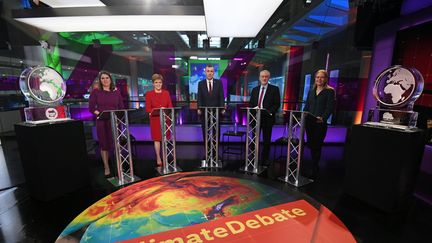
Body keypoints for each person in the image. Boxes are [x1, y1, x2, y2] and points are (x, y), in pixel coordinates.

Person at [89, 71, 124, 177]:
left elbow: (121, 107)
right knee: (104, 145)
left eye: (107, 78)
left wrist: (119, 118)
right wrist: (99, 114)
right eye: (102, 78)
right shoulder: (96, 92)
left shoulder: (116, 92)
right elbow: (91, 108)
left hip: (114, 122)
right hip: (102, 122)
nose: (105, 80)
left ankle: (119, 165)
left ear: (110, 79)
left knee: (116, 144)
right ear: (100, 80)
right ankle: (106, 167)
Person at [303, 69, 335, 179]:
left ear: (326, 79)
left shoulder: (330, 91)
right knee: (311, 145)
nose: (319, 79)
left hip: (320, 123)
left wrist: (323, 118)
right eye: (317, 77)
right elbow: (307, 106)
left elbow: (330, 107)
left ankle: (315, 167)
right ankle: (313, 164)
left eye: (321, 77)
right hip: (309, 122)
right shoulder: (311, 91)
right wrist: (303, 114)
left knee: (317, 146)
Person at [249, 70, 281, 166]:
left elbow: (277, 104)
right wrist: (253, 110)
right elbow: (251, 103)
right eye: (262, 76)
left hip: (267, 118)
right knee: (254, 139)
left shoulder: (274, 89)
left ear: (268, 78)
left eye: (266, 76)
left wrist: (269, 112)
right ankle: (254, 157)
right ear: (259, 78)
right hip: (255, 118)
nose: (264, 78)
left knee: (267, 140)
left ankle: (265, 159)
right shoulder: (255, 89)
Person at [197, 64, 225, 158]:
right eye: (208, 71)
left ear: (214, 72)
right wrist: (199, 108)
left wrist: (222, 108)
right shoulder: (201, 83)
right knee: (205, 132)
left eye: (211, 71)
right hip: (205, 113)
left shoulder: (219, 82)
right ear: (205, 72)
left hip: (216, 113)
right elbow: (199, 97)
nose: (209, 73)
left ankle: (215, 150)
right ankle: (207, 151)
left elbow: (221, 96)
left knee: (216, 132)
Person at [145, 73, 173, 167]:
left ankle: (165, 156)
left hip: (165, 119)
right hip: (155, 120)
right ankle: (158, 157)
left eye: (160, 82)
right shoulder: (149, 94)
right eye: (156, 82)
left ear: (162, 83)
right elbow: (147, 109)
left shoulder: (166, 93)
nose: (158, 84)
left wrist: (165, 110)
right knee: (157, 140)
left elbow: (170, 106)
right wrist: (157, 109)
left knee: (165, 139)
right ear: (153, 83)